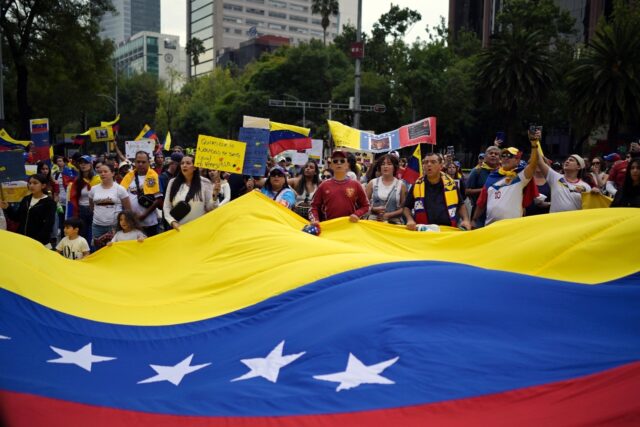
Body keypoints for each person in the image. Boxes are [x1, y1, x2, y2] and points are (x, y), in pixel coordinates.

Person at [472, 130, 540, 226]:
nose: (506, 157)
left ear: (517, 161)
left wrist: (534, 144)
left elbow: (533, 164)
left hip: (512, 228)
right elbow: (481, 202)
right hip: (490, 226)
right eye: (503, 155)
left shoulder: (520, 176)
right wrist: (474, 219)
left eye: (510, 155)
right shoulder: (492, 176)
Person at [403, 153, 471, 230]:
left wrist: (466, 220)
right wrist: (409, 219)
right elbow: (407, 207)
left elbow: (461, 204)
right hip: (423, 231)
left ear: (441, 166)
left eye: (433, 162)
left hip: (447, 230)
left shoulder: (451, 184)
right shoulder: (417, 185)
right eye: (426, 162)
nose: (428, 164)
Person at [309, 150, 370, 226]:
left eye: (342, 161)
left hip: (350, 228)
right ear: (331, 165)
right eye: (335, 161)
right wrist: (315, 220)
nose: (338, 163)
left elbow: (366, 206)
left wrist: (357, 214)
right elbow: (313, 206)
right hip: (328, 227)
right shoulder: (323, 185)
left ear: (347, 165)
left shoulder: (356, 184)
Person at [163, 154, 218, 231]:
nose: (184, 165)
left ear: (195, 167)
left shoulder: (205, 182)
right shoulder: (172, 182)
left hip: (199, 229)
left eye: (188, 163)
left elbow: (209, 208)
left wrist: (215, 195)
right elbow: (167, 206)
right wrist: (172, 222)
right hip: (178, 229)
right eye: (182, 163)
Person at [1, 174, 57, 247]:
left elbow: (48, 225)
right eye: (30, 183)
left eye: (35, 183)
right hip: (23, 240)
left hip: (39, 242)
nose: (31, 185)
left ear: (43, 186)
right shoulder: (26, 199)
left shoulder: (49, 202)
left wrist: (38, 241)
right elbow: (17, 217)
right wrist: (8, 208)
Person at [120, 151, 162, 237]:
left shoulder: (154, 176)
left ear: (148, 162)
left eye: (143, 162)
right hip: (131, 222)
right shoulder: (128, 176)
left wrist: (144, 215)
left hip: (150, 222)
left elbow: (158, 199)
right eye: (138, 161)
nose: (140, 164)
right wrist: (131, 215)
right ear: (134, 162)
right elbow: (122, 196)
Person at [89, 164, 131, 249]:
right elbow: (91, 206)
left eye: (105, 171)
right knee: (99, 251)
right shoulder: (93, 189)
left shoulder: (120, 189)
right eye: (100, 172)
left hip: (114, 226)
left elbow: (128, 209)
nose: (102, 174)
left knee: (114, 250)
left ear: (112, 173)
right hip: (97, 226)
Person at [66, 155, 101, 242]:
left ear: (91, 164)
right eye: (81, 163)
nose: (83, 165)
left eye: (86, 162)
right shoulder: (77, 181)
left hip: (94, 210)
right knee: (82, 234)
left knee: (93, 234)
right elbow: (73, 198)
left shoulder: (98, 179)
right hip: (81, 211)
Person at [366, 154, 407, 224]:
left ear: (394, 167)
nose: (385, 166)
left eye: (389, 164)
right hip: (374, 221)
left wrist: (388, 215)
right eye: (383, 164)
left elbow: (404, 208)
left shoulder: (401, 185)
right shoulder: (372, 183)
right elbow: (364, 205)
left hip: (394, 222)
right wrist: (373, 209)